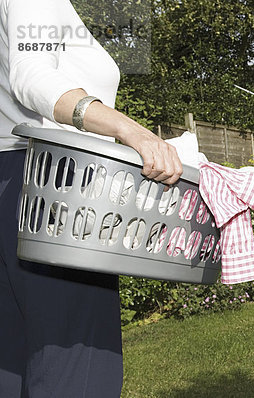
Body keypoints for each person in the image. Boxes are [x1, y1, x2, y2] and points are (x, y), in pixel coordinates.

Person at [0, 0, 182, 396]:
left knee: (11, 362)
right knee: (75, 366)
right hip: (53, 190)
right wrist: (130, 130)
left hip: (12, 184)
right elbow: (32, 75)